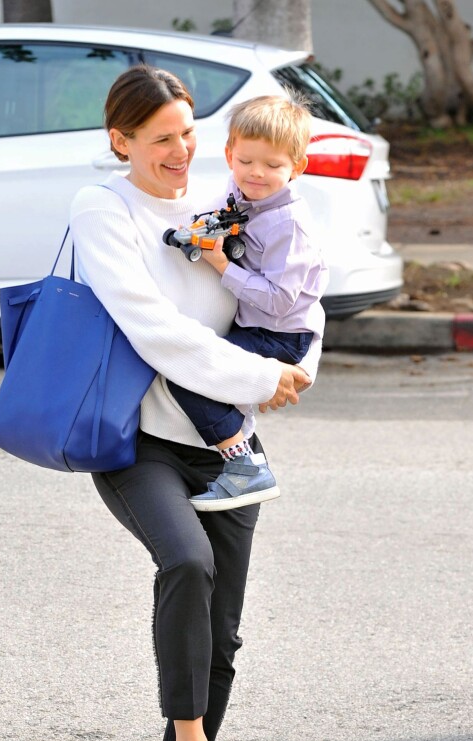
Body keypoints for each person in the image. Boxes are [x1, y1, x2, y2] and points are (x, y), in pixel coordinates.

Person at [69, 65, 322, 741]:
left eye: (188, 133)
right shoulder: (104, 207)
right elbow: (159, 331)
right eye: (161, 138)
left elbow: (299, 298)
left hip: (225, 442)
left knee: (225, 628)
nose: (182, 151)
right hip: (135, 437)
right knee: (187, 562)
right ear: (122, 140)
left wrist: (295, 370)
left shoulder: (229, 207)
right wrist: (259, 373)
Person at [167, 94, 327, 512]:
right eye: (246, 161)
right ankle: (240, 458)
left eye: (273, 166)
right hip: (256, 327)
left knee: (192, 374)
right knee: (210, 373)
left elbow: (279, 301)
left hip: (278, 334)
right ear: (229, 154)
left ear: (297, 167)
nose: (256, 174)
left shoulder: (289, 225)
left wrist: (223, 265)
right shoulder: (239, 193)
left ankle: (244, 466)